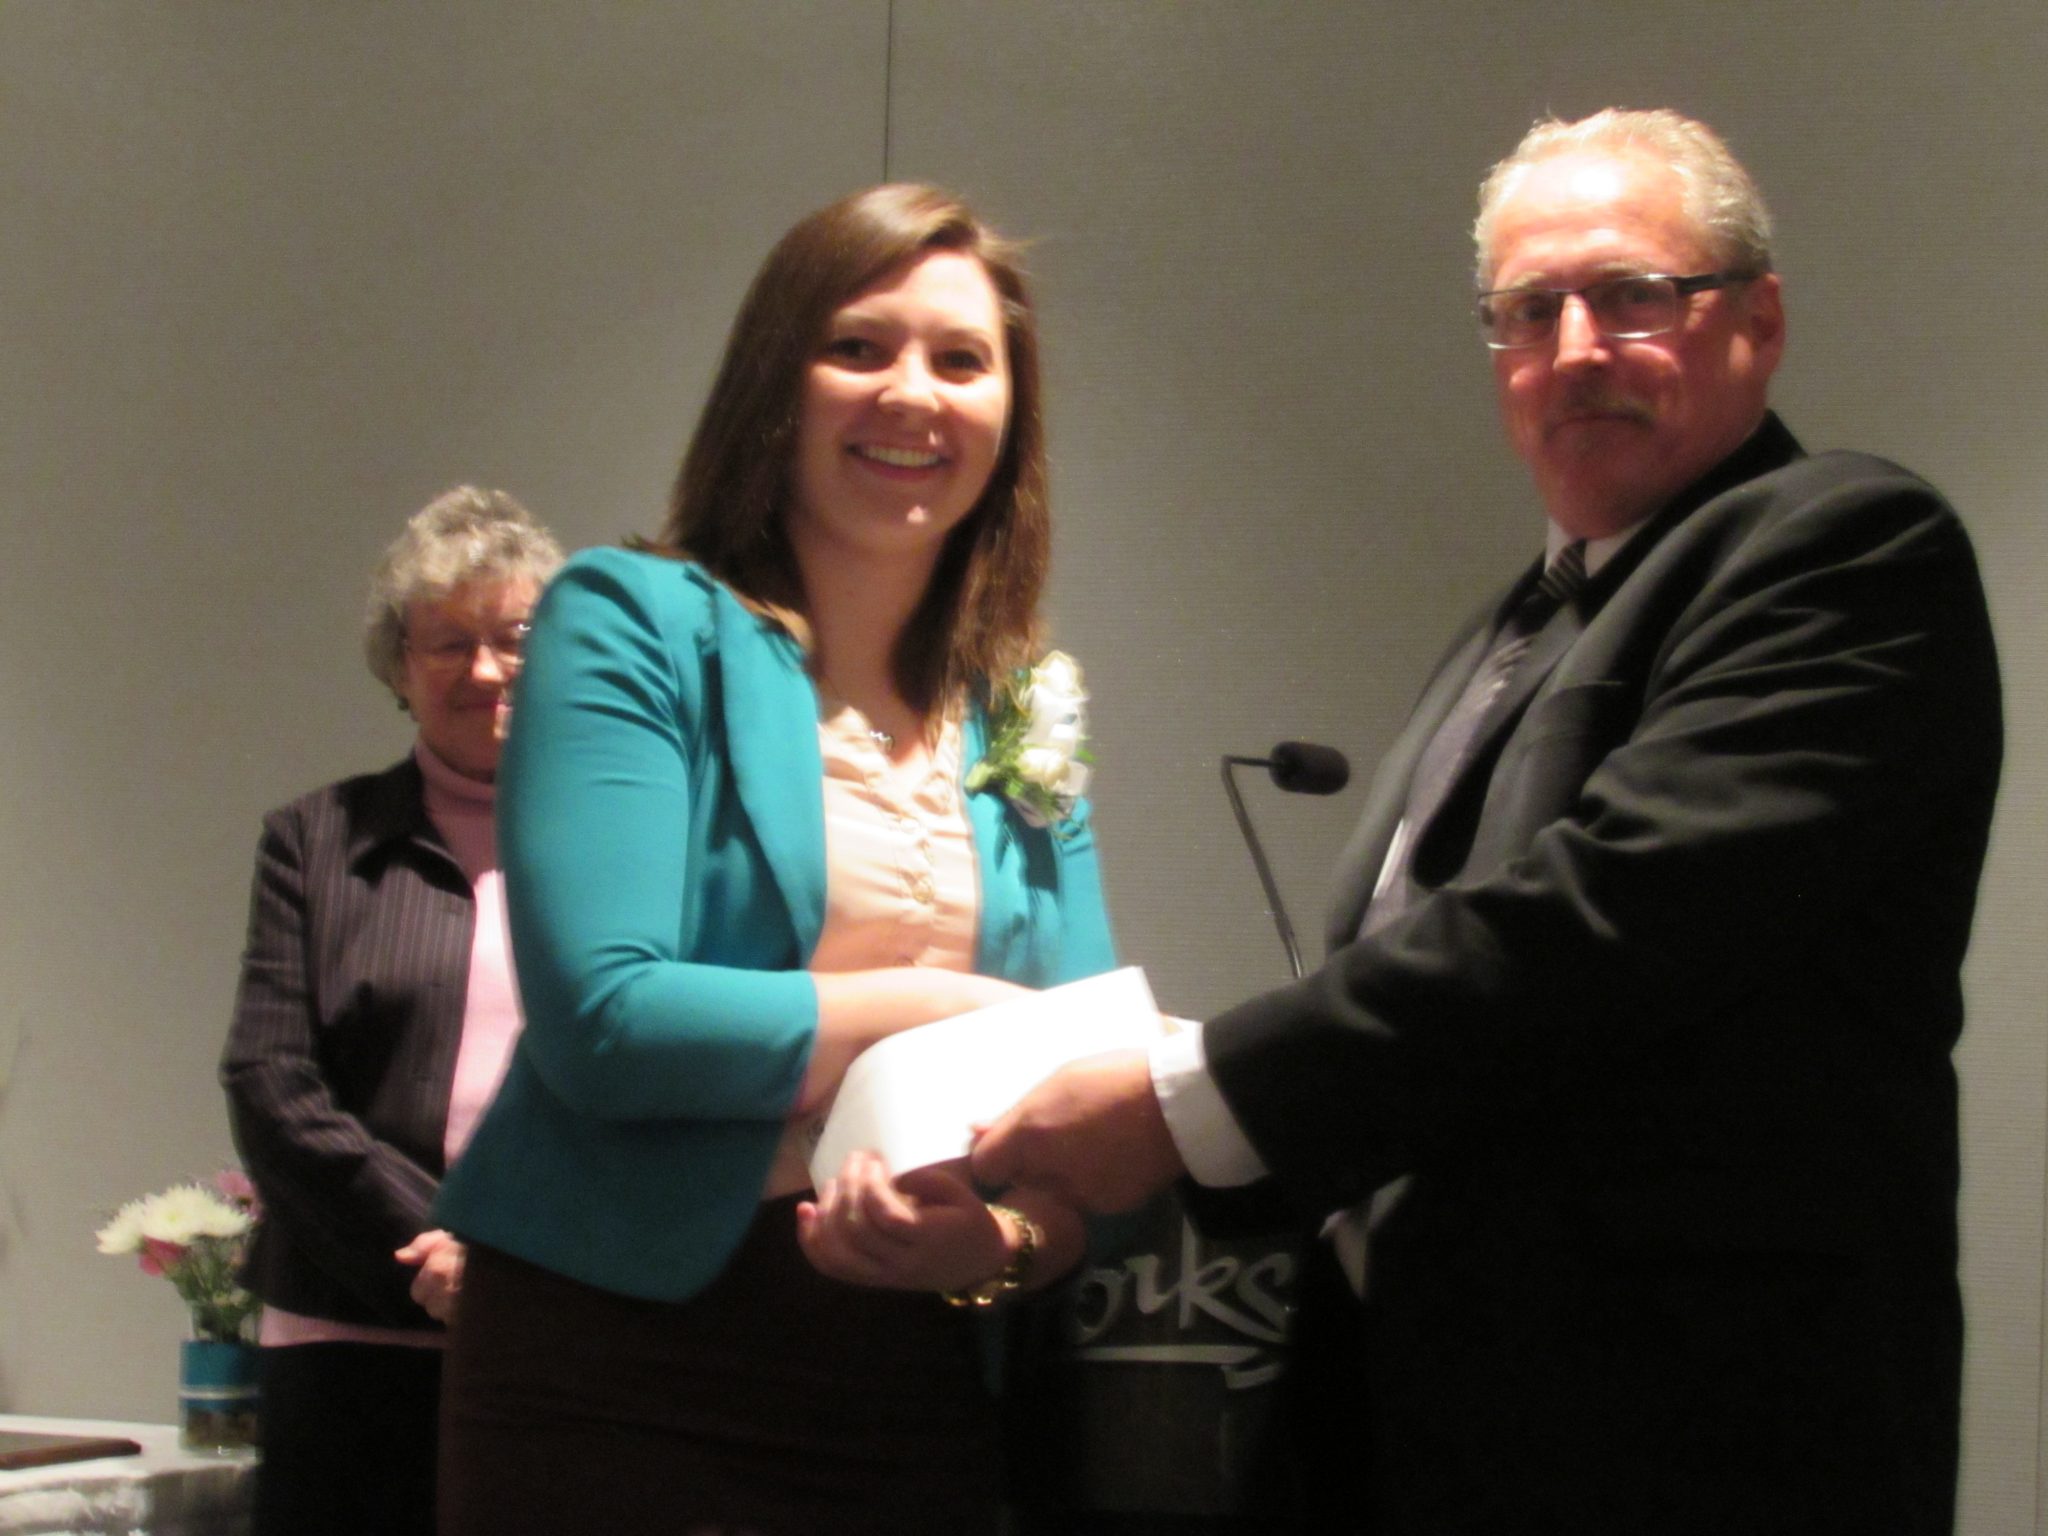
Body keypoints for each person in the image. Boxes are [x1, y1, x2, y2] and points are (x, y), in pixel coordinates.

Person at [976, 108, 2002, 1535]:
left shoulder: (1841, 546)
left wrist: (1184, 1103)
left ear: (1756, 320)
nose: (1576, 346)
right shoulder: (1508, 630)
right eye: (1530, 311)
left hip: (1698, 1445)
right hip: (1429, 1429)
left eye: (1633, 294)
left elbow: (1606, 920)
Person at [432, 183, 1115, 1536]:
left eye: (961, 359)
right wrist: (954, 1012)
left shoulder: (1020, 701)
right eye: (858, 346)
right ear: (773, 384)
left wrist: (1001, 1246)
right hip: (615, 1356)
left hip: (905, 1366)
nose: (912, 393)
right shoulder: (631, 620)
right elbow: (609, 1025)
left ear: (1008, 418)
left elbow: (1077, 1098)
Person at [219, 487, 564, 1536]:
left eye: (514, 638)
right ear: (400, 670)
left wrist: (512, 1263)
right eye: (446, 643)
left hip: (564, 1326)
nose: (486, 670)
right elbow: (269, 1080)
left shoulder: (631, 845)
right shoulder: (314, 840)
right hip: (348, 1334)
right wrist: (442, 1238)